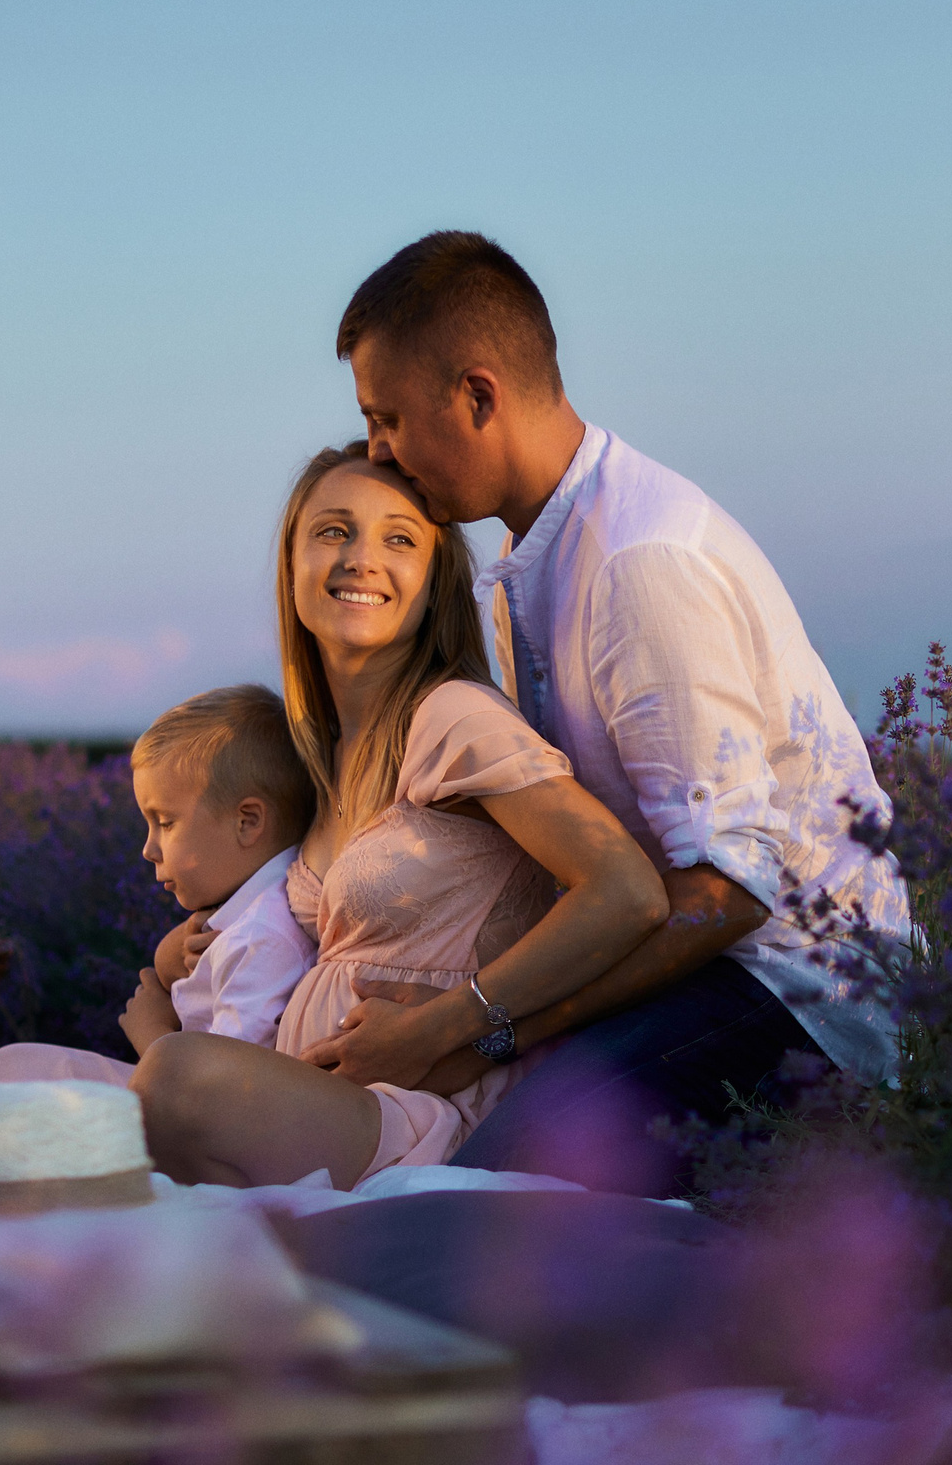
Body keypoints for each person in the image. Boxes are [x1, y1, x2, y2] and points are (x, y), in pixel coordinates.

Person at [310, 230, 913, 1195]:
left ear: (477, 396)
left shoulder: (639, 561)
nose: (379, 449)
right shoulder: (533, 558)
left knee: (501, 1191)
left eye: (387, 418)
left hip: (802, 988)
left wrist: (468, 1028)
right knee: (452, 1169)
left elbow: (731, 889)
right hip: (690, 966)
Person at [130, 444, 669, 1189]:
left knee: (174, 1078)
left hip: (416, 1111)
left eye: (400, 539)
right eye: (333, 531)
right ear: (291, 563)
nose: (361, 558)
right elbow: (263, 918)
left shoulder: (452, 717)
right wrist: (180, 950)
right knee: (14, 1071)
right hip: (302, 1093)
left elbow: (626, 891)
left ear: (434, 581)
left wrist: (448, 1023)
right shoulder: (315, 754)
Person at [0, 683, 316, 1086]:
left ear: (247, 822)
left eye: (165, 822)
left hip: (188, 1106)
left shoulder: (260, 940)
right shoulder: (242, 918)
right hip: (181, 1095)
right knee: (8, 1068)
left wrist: (153, 1035)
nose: (148, 849)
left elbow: (223, 1095)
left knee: (6, 1077)